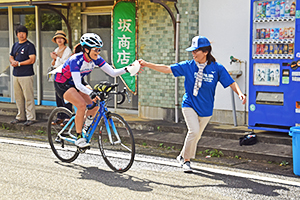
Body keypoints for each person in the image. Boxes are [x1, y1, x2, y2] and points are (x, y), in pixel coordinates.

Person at [139, 35, 246, 172]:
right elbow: (167, 68)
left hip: (206, 108)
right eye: (192, 51)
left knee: (196, 136)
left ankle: (181, 155)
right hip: (189, 104)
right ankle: (186, 160)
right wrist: (147, 64)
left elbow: (231, 82)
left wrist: (240, 93)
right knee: (194, 131)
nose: (193, 53)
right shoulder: (188, 66)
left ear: (205, 52)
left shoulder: (216, 68)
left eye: (196, 51)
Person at [54, 33, 137, 148]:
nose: (98, 53)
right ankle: (79, 137)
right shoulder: (75, 60)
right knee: (82, 105)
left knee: (94, 105)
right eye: (96, 50)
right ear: (86, 49)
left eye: (99, 50)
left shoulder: (96, 59)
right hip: (63, 83)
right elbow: (78, 85)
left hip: (78, 82)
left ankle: (85, 127)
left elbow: (112, 73)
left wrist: (128, 68)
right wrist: (91, 92)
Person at [9, 25, 36, 126]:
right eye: (19, 33)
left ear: (26, 34)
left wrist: (19, 63)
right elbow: (11, 56)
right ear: (16, 34)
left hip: (26, 75)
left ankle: (31, 117)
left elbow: (32, 59)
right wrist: (13, 62)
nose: (21, 34)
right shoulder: (15, 45)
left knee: (28, 96)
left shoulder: (30, 46)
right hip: (16, 74)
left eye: (23, 32)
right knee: (18, 97)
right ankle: (20, 116)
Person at [49, 30, 73, 126]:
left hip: (65, 75)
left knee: (66, 95)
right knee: (58, 96)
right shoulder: (56, 49)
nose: (59, 40)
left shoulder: (67, 50)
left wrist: (57, 57)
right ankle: (60, 116)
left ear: (64, 40)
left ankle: (67, 116)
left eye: (61, 38)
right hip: (57, 74)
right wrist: (54, 58)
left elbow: (65, 63)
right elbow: (53, 63)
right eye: (57, 38)